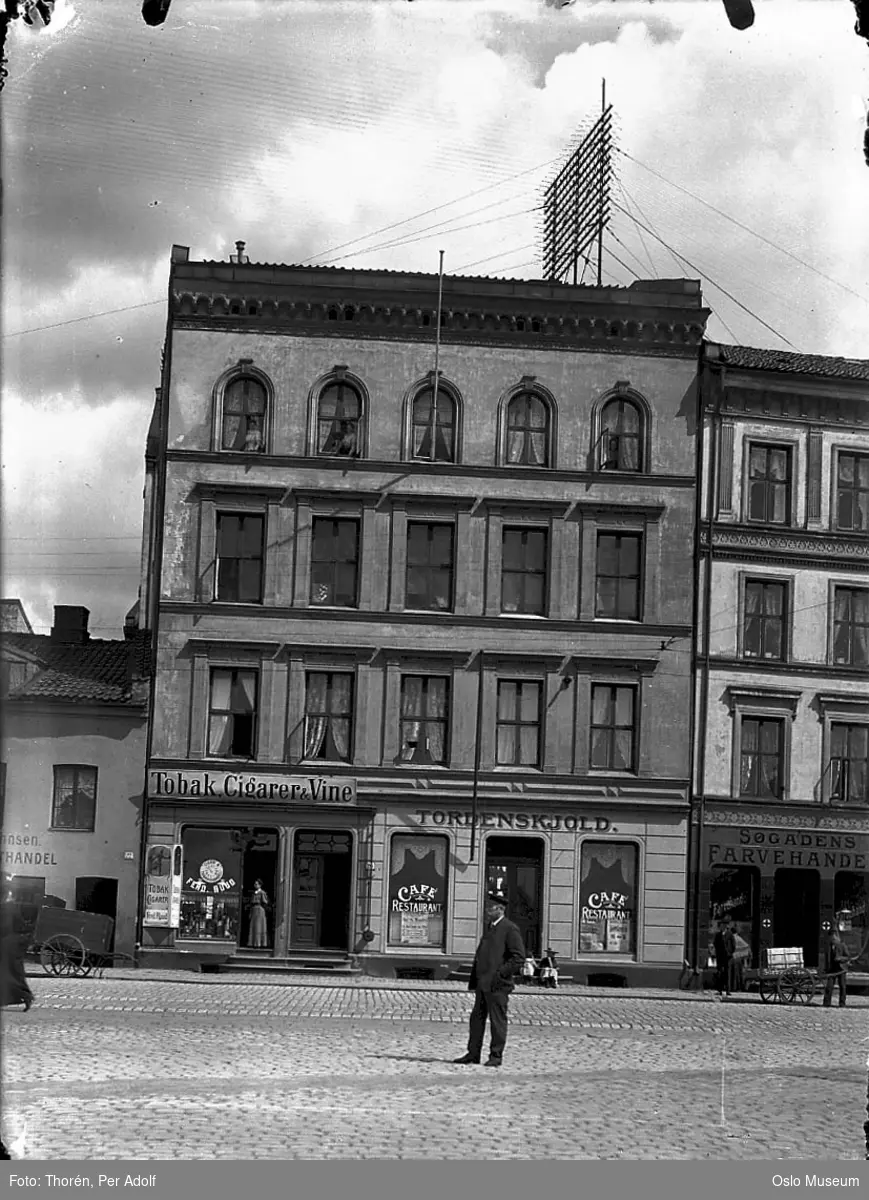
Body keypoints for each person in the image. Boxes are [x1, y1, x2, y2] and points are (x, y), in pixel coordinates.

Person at [454, 890, 525, 1069]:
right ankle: (473, 1053)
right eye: (487, 907)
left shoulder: (509, 929)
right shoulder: (490, 927)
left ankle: (496, 1055)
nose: (487, 910)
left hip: (498, 985)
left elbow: (518, 958)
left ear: (500, 909)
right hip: (483, 983)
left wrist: (500, 974)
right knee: (476, 1020)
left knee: (497, 1021)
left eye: (491, 908)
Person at [0, 899, 34, 1012]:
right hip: (13, 943)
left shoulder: (7, 909)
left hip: (9, 945)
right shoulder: (11, 907)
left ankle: (23, 995)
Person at [823, 919, 849, 1008]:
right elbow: (828, 959)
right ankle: (826, 1003)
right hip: (833, 969)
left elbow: (848, 957)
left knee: (842, 987)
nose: (832, 938)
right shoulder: (829, 946)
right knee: (829, 986)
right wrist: (826, 969)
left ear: (835, 936)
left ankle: (842, 1003)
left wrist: (840, 959)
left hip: (841, 969)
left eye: (833, 936)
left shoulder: (842, 945)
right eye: (831, 937)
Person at [713, 915, 736, 997]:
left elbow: (733, 945)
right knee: (719, 973)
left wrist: (730, 953)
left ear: (727, 926)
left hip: (728, 957)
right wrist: (717, 952)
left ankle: (728, 990)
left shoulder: (730, 934)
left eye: (724, 925)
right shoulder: (718, 935)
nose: (723, 926)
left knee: (727, 974)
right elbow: (715, 944)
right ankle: (719, 989)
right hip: (720, 956)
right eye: (722, 925)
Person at [247, 879, 269, 949]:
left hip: (260, 909)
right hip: (254, 910)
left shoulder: (262, 893)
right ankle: (253, 942)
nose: (255, 885)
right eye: (255, 884)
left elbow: (265, 902)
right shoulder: (254, 893)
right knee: (253, 926)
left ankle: (259, 943)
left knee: (259, 926)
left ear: (260, 885)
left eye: (256, 884)